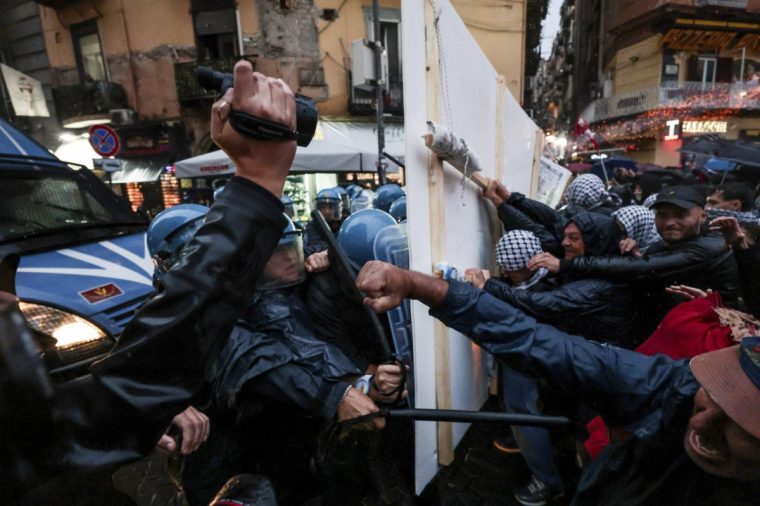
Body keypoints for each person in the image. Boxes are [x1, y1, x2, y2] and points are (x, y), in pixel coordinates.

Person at [3, 62, 380, 501]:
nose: (12, 299)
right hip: (223, 448)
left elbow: (124, 387)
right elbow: (230, 347)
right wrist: (258, 180)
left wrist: (360, 375)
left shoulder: (34, 432)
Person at [356, 261, 760, 504]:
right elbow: (541, 343)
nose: (701, 420)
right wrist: (419, 285)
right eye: (717, 388)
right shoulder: (676, 388)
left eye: (739, 420)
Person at [529, 185, 741, 335]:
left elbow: (645, 268)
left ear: (702, 216)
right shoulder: (672, 243)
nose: (670, 222)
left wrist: (564, 265)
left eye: (680, 214)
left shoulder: (710, 245)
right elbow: (649, 267)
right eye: (663, 215)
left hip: (704, 337)